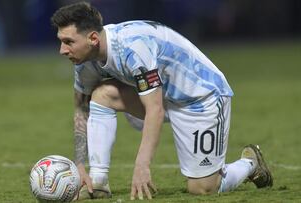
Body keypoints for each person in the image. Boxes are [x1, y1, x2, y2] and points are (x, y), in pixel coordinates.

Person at [50, 2, 273, 200]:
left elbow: (154, 110)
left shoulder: (132, 49)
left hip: (200, 98)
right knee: (101, 94)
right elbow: (81, 108)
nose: (62, 50)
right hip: (162, 96)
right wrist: (79, 165)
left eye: (68, 41)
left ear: (93, 39)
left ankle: (250, 163)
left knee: (203, 189)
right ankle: (98, 182)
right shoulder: (84, 61)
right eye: (61, 41)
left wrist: (142, 165)